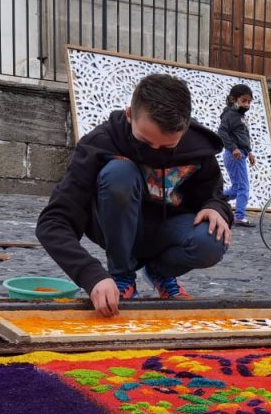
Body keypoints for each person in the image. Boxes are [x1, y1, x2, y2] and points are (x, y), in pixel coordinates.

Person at [36, 73, 231, 317]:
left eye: (167, 147)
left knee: (212, 240)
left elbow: (214, 194)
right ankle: (121, 277)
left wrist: (215, 207)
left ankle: (160, 272)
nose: (155, 152)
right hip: (118, 228)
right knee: (119, 173)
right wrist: (92, 275)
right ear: (129, 114)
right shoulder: (100, 144)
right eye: (145, 141)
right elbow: (52, 222)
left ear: (185, 127)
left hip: (166, 231)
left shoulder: (198, 148)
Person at [217, 83, 257, 227]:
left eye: (249, 102)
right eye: (244, 101)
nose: (247, 105)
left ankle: (214, 199)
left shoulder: (239, 116)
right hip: (235, 155)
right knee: (243, 187)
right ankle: (239, 216)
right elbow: (221, 132)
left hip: (241, 154)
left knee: (236, 188)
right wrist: (233, 148)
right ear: (233, 100)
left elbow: (242, 136)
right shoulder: (230, 115)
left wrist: (250, 152)